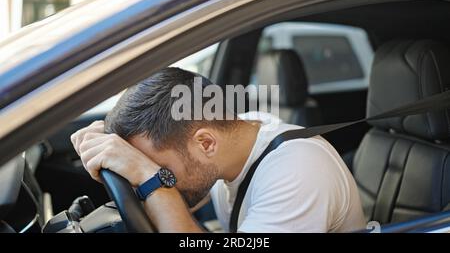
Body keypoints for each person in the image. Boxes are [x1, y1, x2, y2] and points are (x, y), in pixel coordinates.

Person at [70, 67, 366, 232]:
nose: (160, 179)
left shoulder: (296, 171)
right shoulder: (239, 134)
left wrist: (151, 178)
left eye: (163, 171)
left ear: (206, 143)